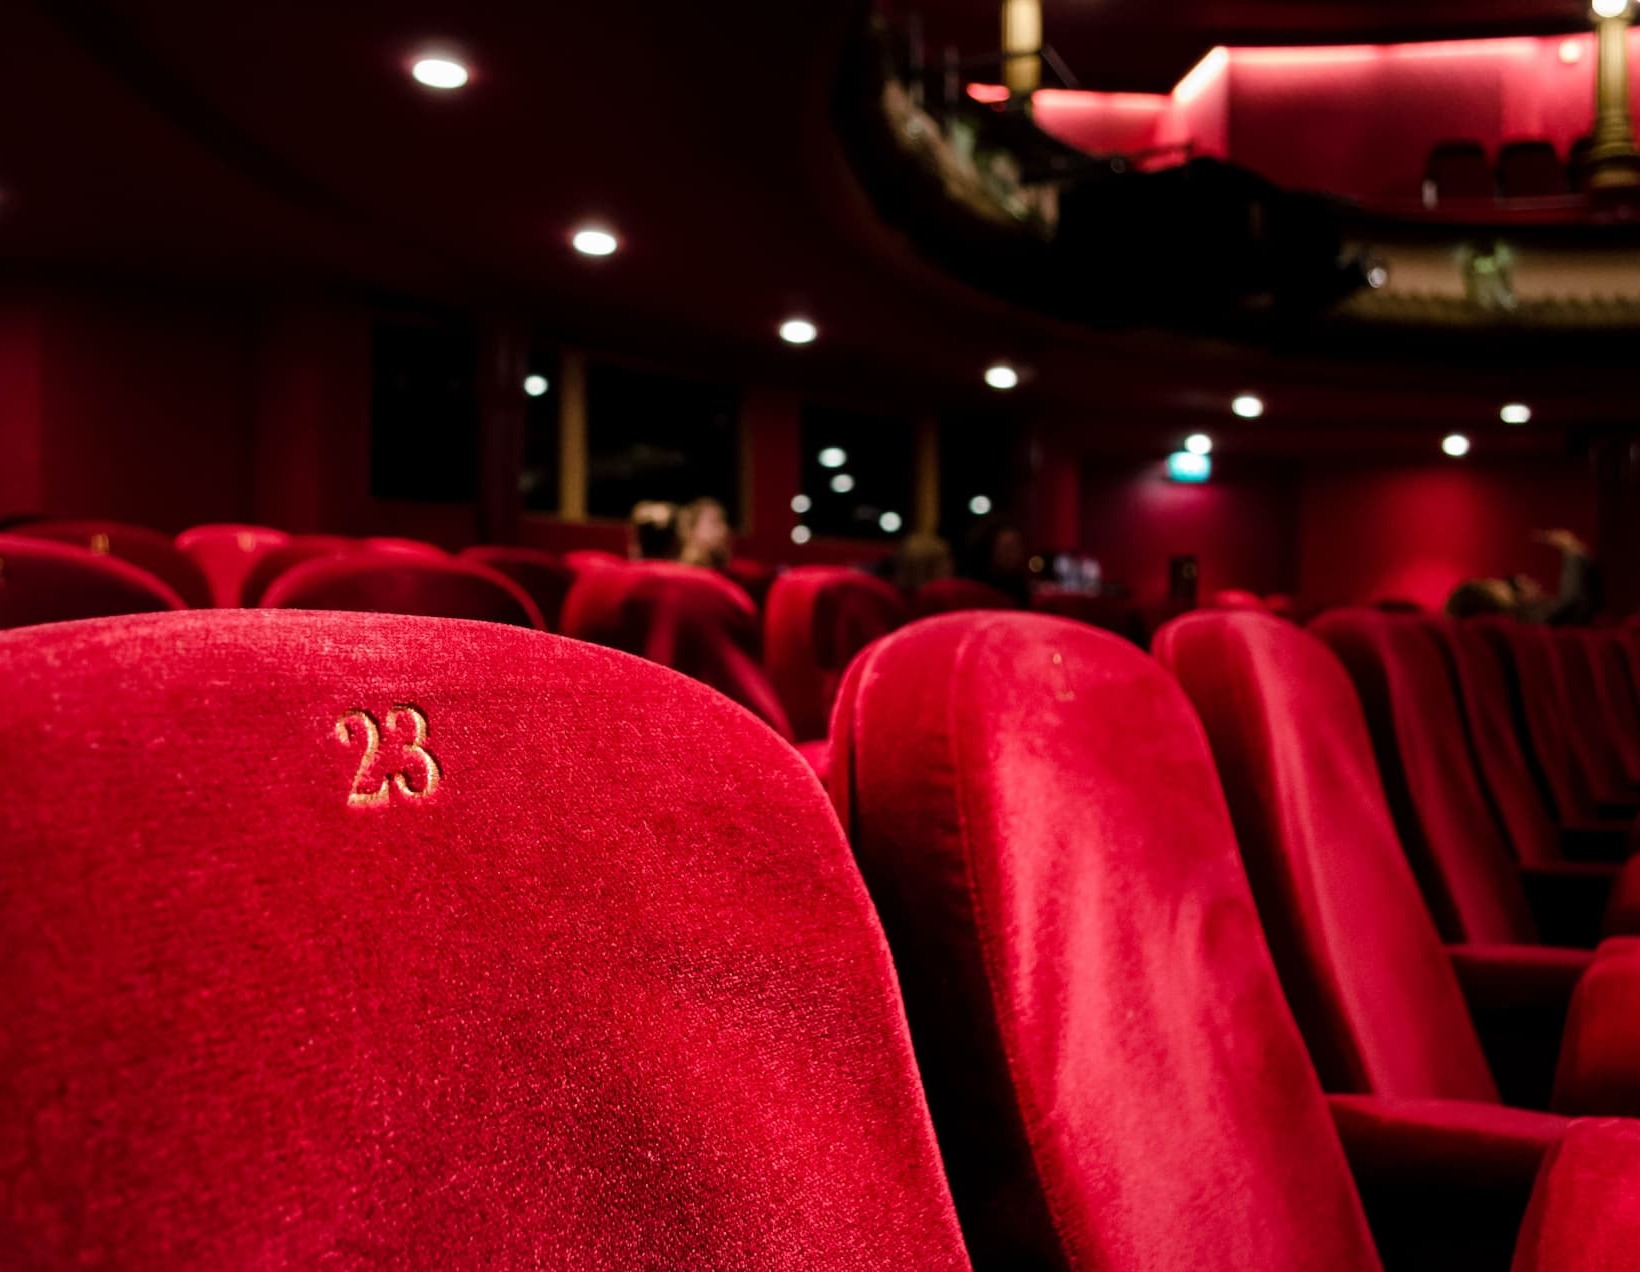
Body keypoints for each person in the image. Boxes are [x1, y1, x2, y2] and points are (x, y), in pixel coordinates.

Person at [1446, 529, 1602, 625]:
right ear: (1484, 601)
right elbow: (1572, 603)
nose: (1496, 582)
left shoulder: (1516, 624)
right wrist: (1572, 550)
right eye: (1488, 584)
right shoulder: (1521, 621)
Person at [959, 518, 1031, 607]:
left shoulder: (1020, 587)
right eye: (1008, 548)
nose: (1015, 554)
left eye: (1017, 547)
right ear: (988, 550)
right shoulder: (970, 591)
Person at [676, 498, 732, 571]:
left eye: (724, 522)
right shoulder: (683, 574)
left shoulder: (726, 570)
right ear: (692, 529)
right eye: (715, 522)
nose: (724, 529)